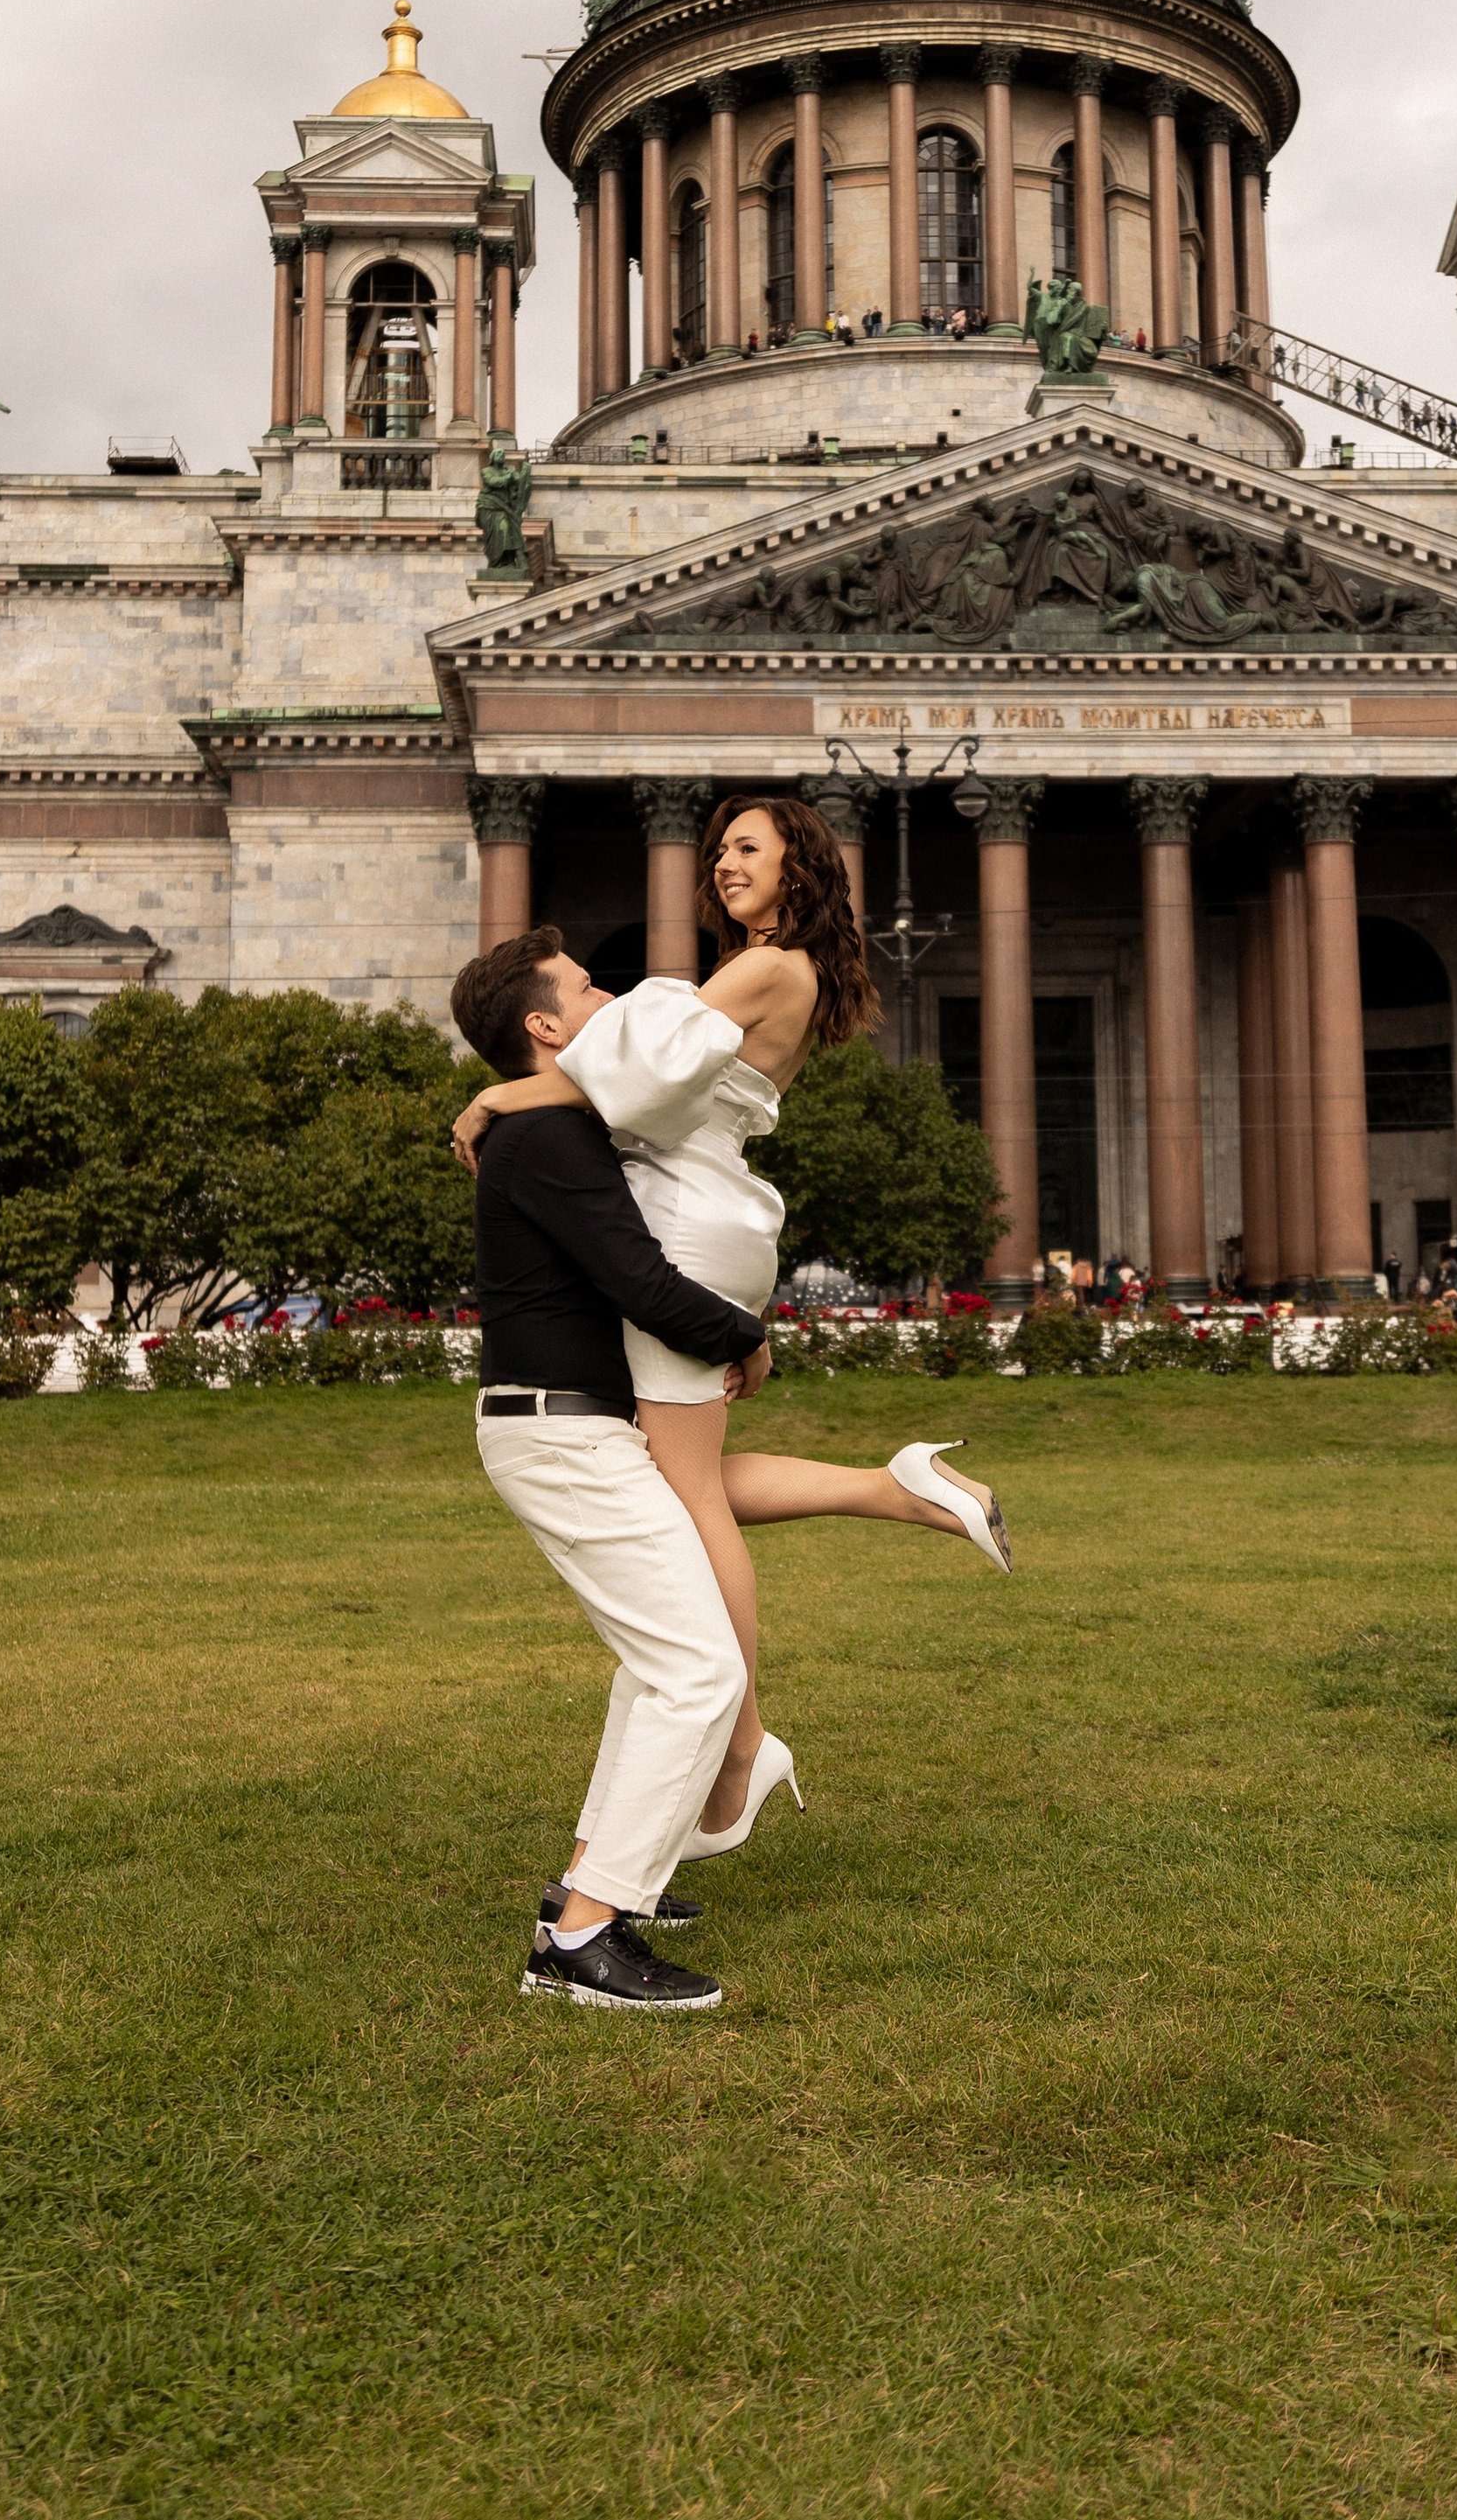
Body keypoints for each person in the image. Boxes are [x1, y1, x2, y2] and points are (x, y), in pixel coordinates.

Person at [454, 796, 1010, 1849]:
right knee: (686, 1479)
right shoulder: (785, 971)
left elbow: (627, 1080)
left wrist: (493, 1102)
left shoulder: (766, 967)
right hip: (715, 1208)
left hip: (685, 1213)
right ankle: (895, 1488)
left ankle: (744, 1746)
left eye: (745, 848)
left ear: (800, 862)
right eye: (715, 852)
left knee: (691, 1497)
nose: (720, 865)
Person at [448, 927, 772, 2011]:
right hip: (562, 1436)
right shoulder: (551, 1146)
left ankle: (594, 1884)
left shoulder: (552, 1128)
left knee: (661, 1663)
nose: (615, 996)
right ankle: (582, 1936)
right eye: (589, 989)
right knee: (699, 1670)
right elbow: (639, 1279)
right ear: (545, 1027)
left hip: (571, 1428)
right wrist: (748, 1333)